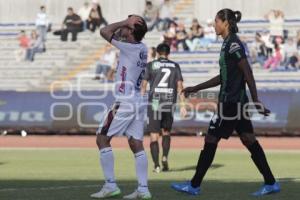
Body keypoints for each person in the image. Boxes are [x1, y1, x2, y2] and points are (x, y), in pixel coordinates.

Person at [171, 9, 280, 196]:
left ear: (225, 23)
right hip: (236, 103)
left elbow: (248, 72)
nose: (214, 25)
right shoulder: (227, 44)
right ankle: (271, 183)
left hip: (231, 103)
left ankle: (194, 185)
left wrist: (256, 100)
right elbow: (223, 76)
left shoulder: (234, 44)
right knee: (248, 139)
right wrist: (195, 88)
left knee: (211, 139)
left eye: (216, 21)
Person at [90, 15, 152, 199]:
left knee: (102, 138)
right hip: (138, 100)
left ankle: (110, 185)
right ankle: (143, 189)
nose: (123, 29)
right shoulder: (142, 47)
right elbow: (117, 33)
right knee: (136, 143)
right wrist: (128, 24)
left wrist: (125, 23)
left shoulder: (130, 47)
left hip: (125, 101)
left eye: (127, 26)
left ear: (131, 31)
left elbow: (104, 31)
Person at [141, 43, 187, 173]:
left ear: (157, 53)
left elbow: (143, 86)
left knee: (154, 136)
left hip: (154, 103)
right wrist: (183, 106)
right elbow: (180, 87)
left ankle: (156, 165)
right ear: (168, 53)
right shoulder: (175, 66)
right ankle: (165, 157)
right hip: (168, 102)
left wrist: (138, 101)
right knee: (166, 132)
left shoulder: (151, 65)